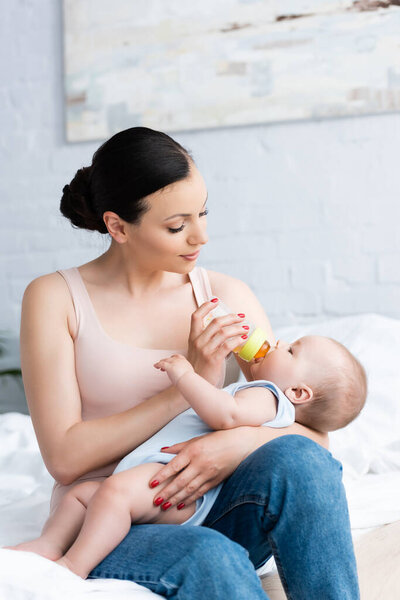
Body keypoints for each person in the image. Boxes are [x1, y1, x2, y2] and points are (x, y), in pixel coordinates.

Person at [11, 127, 361, 598]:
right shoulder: (55, 298)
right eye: (177, 226)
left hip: (215, 503)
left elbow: (309, 429)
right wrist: (187, 384)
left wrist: (235, 446)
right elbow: (66, 459)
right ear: (117, 227)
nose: (201, 236)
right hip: (109, 517)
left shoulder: (225, 296)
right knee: (208, 555)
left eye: (203, 213)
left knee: (302, 462)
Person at [8, 333, 366, 579]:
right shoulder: (265, 395)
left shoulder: (269, 396)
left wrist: (187, 375)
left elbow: (223, 413)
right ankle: (49, 544)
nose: (280, 343)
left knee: (111, 496)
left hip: (173, 481)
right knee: (82, 496)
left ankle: (73, 567)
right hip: (163, 473)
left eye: (292, 351)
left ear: (299, 393)